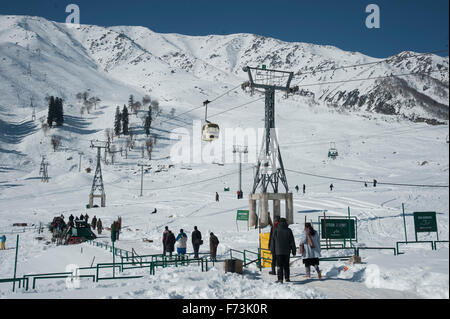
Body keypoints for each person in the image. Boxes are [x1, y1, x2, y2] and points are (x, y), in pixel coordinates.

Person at [271, 218, 296, 283]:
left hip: (278, 252)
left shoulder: (276, 230)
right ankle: (287, 278)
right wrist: (294, 251)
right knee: (286, 265)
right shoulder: (289, 230)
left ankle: (280, 279)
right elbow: (292, 241)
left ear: (279, 222)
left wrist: (272, 250)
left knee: (279, 266)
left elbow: (273, 241)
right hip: (287, 252)